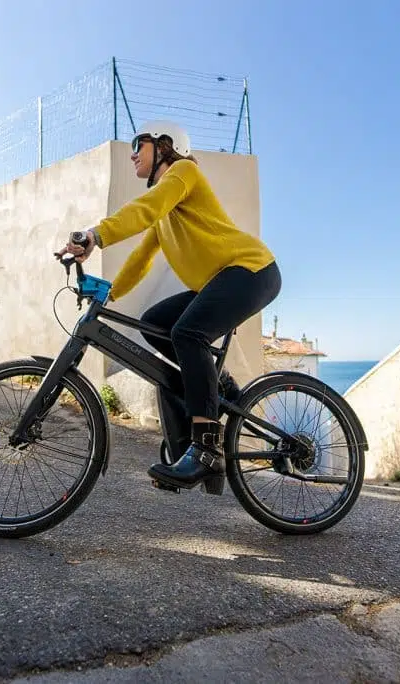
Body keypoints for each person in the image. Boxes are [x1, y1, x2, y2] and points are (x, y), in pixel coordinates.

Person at [56, 120, 281, 493]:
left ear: (164, 145)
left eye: (137, 145)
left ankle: (206, 448)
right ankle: (217, 393)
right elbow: (141, 259)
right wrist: (107, 294)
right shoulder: (166, 210)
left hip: (252, 270)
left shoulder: (183, 172)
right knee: (154, 323)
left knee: (187, 333)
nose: (131, 153)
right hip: (221, 281)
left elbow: (144, 208)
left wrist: (96, 234)